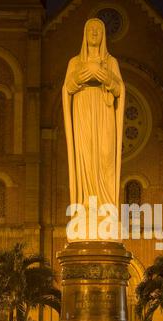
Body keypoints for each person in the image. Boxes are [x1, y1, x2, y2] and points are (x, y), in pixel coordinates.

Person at [63, 18, 125, 209]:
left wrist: (106, 78)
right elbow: (67, 88)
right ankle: (87, 204)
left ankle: (106, 205)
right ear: (85, 34)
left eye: (99, 29)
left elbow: (120, 90)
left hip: (104, 110)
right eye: (91, 29)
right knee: (87, 155)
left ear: (104, 35)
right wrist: (77, 79)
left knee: (106, 155)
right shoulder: (75, 62)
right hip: (83, 109)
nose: (95, 33)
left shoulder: (111, 62)